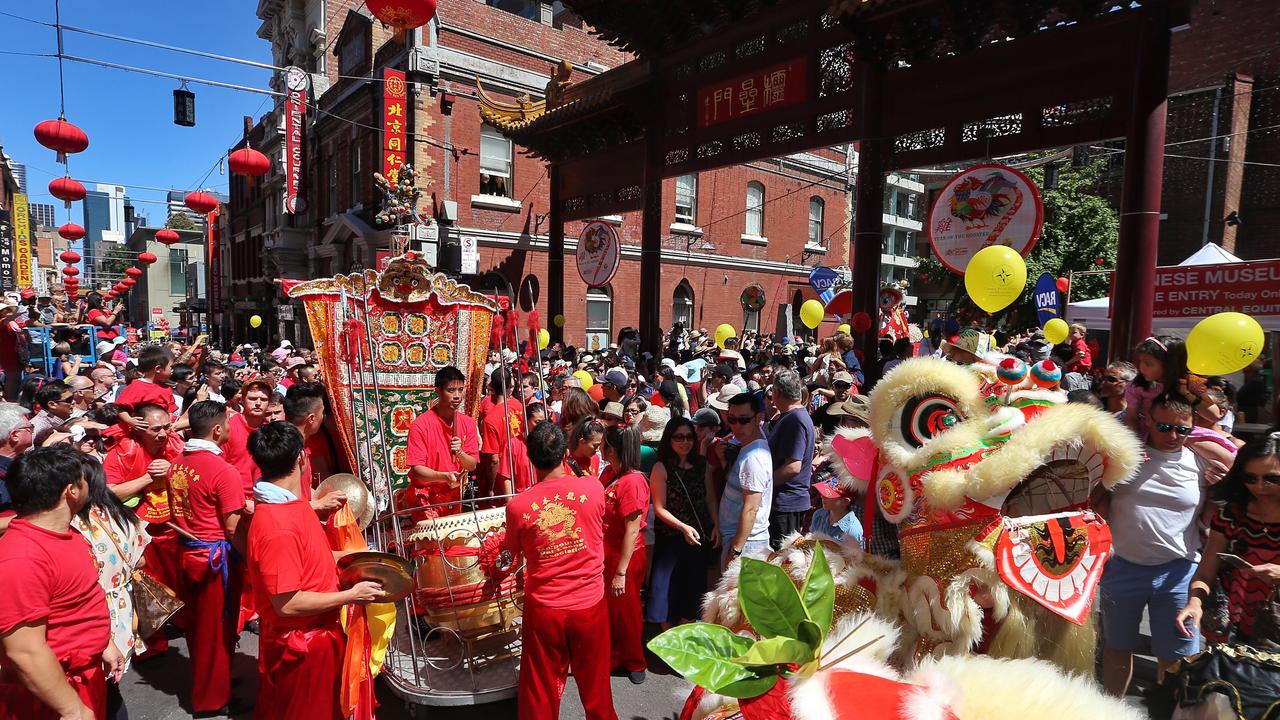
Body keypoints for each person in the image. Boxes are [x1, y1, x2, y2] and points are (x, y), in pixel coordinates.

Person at [246, 421, 381, 719]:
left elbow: (315, 556)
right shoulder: (276, 525)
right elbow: (288, 604)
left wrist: (362, 556)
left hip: (317, 638)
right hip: (302, 647)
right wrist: (351, 596)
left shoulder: (295, 506)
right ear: (301, 459)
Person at [502, 421, 617, 719]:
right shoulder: (593, 488)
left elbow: (510, 553)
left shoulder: (518, 506)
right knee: (597, 688)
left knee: (540, 689)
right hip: (589, 605)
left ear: (530, 457)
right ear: (565, 453)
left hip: (546, 608)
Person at [0, 445, 120, 720]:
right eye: (83, 478)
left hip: (85, 677)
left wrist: (104, 643)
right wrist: (72, 709)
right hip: (52, 696)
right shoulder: (21, 559)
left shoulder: (67, 534)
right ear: (72, 491)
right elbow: (25, 652)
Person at [1101, 396, 1208, 696]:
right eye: (1164, 427)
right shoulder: (1127, 457)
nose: (1172, 435)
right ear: (1148, 420)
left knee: (1176, 658)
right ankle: (1110, 711)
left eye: (1182, 429)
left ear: (1192, 427)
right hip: (1122, 567)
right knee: (1117, 647)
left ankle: (1169, 712)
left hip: (1178, 572)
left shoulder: (1201, 463)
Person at [168, 401, 248, 717]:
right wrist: (250, 556)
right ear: (217, 429)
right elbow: (232, 526)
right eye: (227, 423)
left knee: (201, 630)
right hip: (216, 560)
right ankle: (211, 700)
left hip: (189, 553)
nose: (230, 428)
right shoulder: (222, 470)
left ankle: (216, 683)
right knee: (215, 631)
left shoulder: (177, 462)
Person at [1176, 432, 1280, 647]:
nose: (1260, 486)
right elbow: (1205, 571)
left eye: (1272, 478)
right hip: (1237, 628)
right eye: (1250, 478)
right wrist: (1195, 602)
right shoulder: (1231, 515)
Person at [70, 456, 148, 719]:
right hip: (124, 610)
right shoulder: (119, 514)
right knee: (111, 685)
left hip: (95, 615)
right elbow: (143, 559)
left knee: (96, 691)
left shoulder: (74, 525)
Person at [648, 417, 715, 628]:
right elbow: (659, 508)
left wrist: (717, 526)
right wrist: (683, 527)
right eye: (679, 437)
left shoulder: (701, 465)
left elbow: (710, 498)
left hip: (697, 538)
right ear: (669, 439)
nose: (685, 442)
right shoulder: (661, 467)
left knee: (692, 592)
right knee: (666, 593)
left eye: (688, 437)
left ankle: (685, 639)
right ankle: (665, 645)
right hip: (671, 538)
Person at [599, 425, 648, 684]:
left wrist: (620, 571)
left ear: (613, 449)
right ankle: (614, 656)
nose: (600, 447)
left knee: (628, 613)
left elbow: (631, 530)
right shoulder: (610, 472)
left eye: (604, 444)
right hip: (608, 554)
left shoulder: (632, 482)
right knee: (612, 611)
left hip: (625, 557)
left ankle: (635, 661)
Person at [406, 366, 480, 509]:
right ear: (438, 391)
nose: (457, 396)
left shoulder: (468, 423)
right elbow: (417, 470)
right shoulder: (420, 425)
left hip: (452, 495)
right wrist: (444, 476)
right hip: (425, 496)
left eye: (460, 389)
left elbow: (471, 465)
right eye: (451, 390)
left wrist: (460, 453)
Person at [719, 392, 772, 566]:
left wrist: (735, 551)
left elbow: (751, 508)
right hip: (743, 540)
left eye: (743, 420)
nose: (736, 426)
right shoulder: (750, 447)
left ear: (757, 419)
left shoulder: (754, 457)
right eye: (732, 419)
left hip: (746, 544)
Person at [767, 369, 814, 549]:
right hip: (786, 503)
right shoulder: (792, 417)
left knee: (781, 561)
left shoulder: (795, 419)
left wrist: (764, 483)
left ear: (777, 393)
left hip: (787, 504)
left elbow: (793, 466)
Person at [223, 376, 273, 493]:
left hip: (265, 495)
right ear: (242, 400)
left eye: (264, 399)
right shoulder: (228, 427)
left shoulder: (271, 430)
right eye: (253, 399)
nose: (258, 403)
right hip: (235, 494)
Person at [114, 345, 177, 431]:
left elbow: (169, 410)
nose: (173, 370)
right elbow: (121, 408)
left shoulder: (166, 388)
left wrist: (168, 424)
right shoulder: (136, 386)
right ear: (158, 369)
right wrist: (130, 420)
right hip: (140, 432)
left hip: (161, 431)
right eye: (171, 367)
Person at [0, 403, 34, 534]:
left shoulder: (21, 462)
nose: (32, 430)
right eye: (29, 428)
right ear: (14, 435)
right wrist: (38, 517)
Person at [809, 475, 863, 544]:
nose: (822, 496)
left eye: (828, 495)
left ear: (845, 501)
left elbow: (855, 554)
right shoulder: (818, 515)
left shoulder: (852, 530)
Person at [30, 380, 72, 447]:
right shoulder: (37, 427)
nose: (73, 402)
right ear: (52, 404)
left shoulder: (62, 421)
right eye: (69, 400)